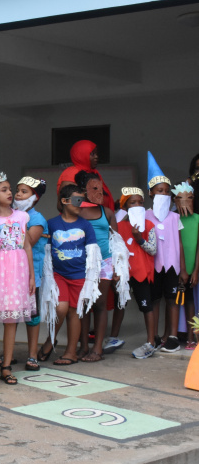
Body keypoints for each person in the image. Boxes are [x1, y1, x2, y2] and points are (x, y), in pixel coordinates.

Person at [0, 173, 35, 385]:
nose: (10, 192)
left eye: (10, 189)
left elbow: (27, 246)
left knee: (12, 321)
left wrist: (31, 276)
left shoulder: (22, 217)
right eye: (4, 189)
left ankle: (6, 366)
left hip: (19, 272)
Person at [38, 184, 101, 366]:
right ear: (64, 201)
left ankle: (71, 352)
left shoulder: (86, 225)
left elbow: (92, 253)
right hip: (58, 275)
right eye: (76, 200)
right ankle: (50, 341)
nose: (80, 204)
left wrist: (91, 279)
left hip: (80, 276)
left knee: (75, 313)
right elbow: (46, 251)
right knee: (60, 308)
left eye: (82, 200)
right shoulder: (51, 224)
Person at [74, 171, 118, 362]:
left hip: (105, 262)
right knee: (83, 304)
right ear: (83, 189)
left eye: (99, 187)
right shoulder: (75, 209)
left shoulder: (107, 213)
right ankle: (83, 346)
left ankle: (97, 348)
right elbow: (62, 206)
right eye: (93, 187)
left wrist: (117, 267)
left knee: (99, 305)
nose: (99, 191)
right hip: (81, 262)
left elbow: (116, 242)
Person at [146, 152, 187, 353]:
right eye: (159, 190)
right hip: (152, 266)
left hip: (172, 265)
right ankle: (152, 336)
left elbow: (179, 244)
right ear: (151, 193)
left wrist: (184, 269)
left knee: (172, 300)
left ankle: (171, 336)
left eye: (166, 191)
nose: (163, 194)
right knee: (154, 300)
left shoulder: (173, 217)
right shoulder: (144, 216)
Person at [7, 176, 48, 372]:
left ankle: (32, 355)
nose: (18, 195)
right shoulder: (10, 215)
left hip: (32, 276)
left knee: (32, 317)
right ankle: (9, 354)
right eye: (17, 190)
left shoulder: (37, 219)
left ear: (35, 197)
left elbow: (26, 243)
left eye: (24, 192)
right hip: (12, 274)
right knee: (13, 315)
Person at [114, 188, 159, 359]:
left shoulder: (149, 225)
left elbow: (153, 250)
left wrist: (139, 238)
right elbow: (115, 249)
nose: (138, 205)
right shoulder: (118, 226)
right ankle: (113, 337)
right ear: (125, 206)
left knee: (146, 306)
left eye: (141, 202)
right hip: (124, 272)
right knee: (120, 303)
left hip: (141, 271)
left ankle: (150, 342)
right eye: (133, 202)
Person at [171, 182, 199, 349]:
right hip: (176, 267)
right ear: (175, 200)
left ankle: (191, 336)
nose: (185, 201)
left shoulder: (197, 219)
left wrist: (195, 269)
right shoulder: (173, 218)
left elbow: (198, 247)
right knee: (172, 301)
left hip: (192, 266)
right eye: (181, 198)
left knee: (190, 301)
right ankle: (172, 335)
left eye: (189, 197)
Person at [57, 140, 114, 210]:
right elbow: (63, 204)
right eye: (92, 154)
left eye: (96, 154)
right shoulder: (71, 173)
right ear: (81, 154)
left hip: (97, 216)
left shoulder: (94, 172)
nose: (96, 157)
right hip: (81, 219)